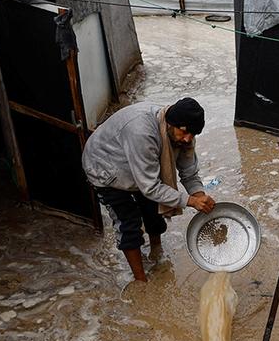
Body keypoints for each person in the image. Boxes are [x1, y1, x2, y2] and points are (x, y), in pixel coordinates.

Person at [81, 97, 216, 282]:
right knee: (128, 223)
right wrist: (190, 201)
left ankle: (156, 254)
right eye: (184, 132)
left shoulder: (184, 135)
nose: (188, 139)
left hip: (139, 165)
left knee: (153, 211)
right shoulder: (142, 131)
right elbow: (150, 187)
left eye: (192, 135)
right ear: (170, 123)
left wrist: (200, 197)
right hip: (105, 166)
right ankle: (141, 280)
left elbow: (189, 173)